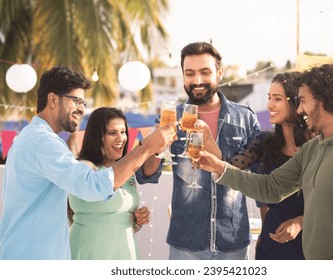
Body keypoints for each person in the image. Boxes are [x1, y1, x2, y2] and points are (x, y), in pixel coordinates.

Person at [198, 63, 333, 260]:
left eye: (303, 101)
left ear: (324, 101)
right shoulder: (315, 148)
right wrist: (218, 167)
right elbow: (272, 187)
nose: (300, 109)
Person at [0, 66, 175, 260]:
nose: (82, 108)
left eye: (83, 102)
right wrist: (145, 148)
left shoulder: (32, 137)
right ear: (52, 99)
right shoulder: (43, 142)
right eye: (76, 101)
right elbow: (93, 186)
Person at [136, 42, 261, 260]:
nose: (197, 81)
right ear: (183, 75)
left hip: (233, 242)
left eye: (205, 72)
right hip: (185, 244)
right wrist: (156, 146)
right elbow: (146, 175)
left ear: (219, 72)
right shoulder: (169, 116)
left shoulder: (245, 118)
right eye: (190, 73)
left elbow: (259, 177)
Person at [230, 72, 308, 260]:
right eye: (269, 98)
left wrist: (302, 221)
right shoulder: (265, 142)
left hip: (310, 241)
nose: (269, 105)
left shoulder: (317, 145)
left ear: (296, 102)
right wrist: (205, 139)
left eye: (277, 99)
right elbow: (229, 169)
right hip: (272, 241)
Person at [68, 107, 150, 260]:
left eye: (123, 132)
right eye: (112, 133)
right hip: (88, 252)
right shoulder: (83, 168)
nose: (121, 139)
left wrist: (137, 220)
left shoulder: (127, 174)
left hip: (125, 253)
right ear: (97, 137)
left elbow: (115, 219)